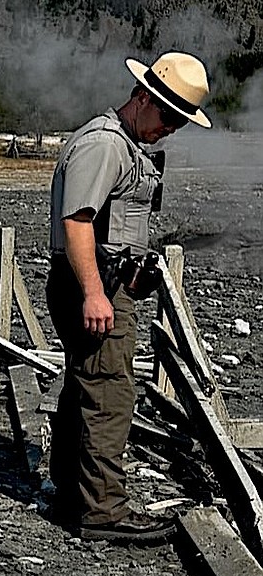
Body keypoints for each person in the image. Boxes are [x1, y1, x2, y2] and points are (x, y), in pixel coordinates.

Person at [46, 51, 212, 544]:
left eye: (180, 122)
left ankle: (74, 494)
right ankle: (103, 513)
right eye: (168, 116)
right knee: (110, 392)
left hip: (103, 281)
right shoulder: (105, 145)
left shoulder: (126, 146)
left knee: (87, 386)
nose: (171, 128)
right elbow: (76, 221)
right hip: (91, 284)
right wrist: (96, 292)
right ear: (142, 98)